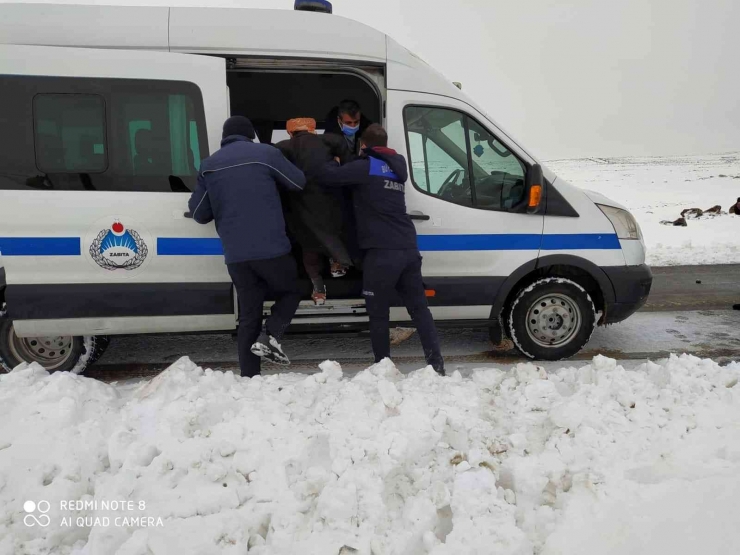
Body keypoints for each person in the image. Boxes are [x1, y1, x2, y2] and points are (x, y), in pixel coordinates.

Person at [313, 124, 445, 375]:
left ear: (365, 145)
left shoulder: (366, 166)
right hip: (407, 247)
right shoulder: (397, 166)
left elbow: (327, 176)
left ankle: (383, 368)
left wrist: (334, 160)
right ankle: (436, 365)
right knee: (419, 310)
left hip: (381, 252)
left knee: (378, 313)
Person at [188, 116, 306, 377]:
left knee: (249, 314)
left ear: (224, 136)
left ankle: (249, 377)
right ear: (251, 134)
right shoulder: (266, 153)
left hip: (237, 256)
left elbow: (199, 213)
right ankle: (271, 335)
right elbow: (298, 182)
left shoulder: (208, 165)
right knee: (295, 288)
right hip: (272, 249)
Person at [276, 117, 353, 304]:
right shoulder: (329, 141)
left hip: (300, 204)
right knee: (333, 234)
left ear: (290, 132)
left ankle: (319, 289)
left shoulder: (283, 146)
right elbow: (346, 158)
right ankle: (336, 262)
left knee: (308, 246)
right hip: (330, 201)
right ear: (313, 130)